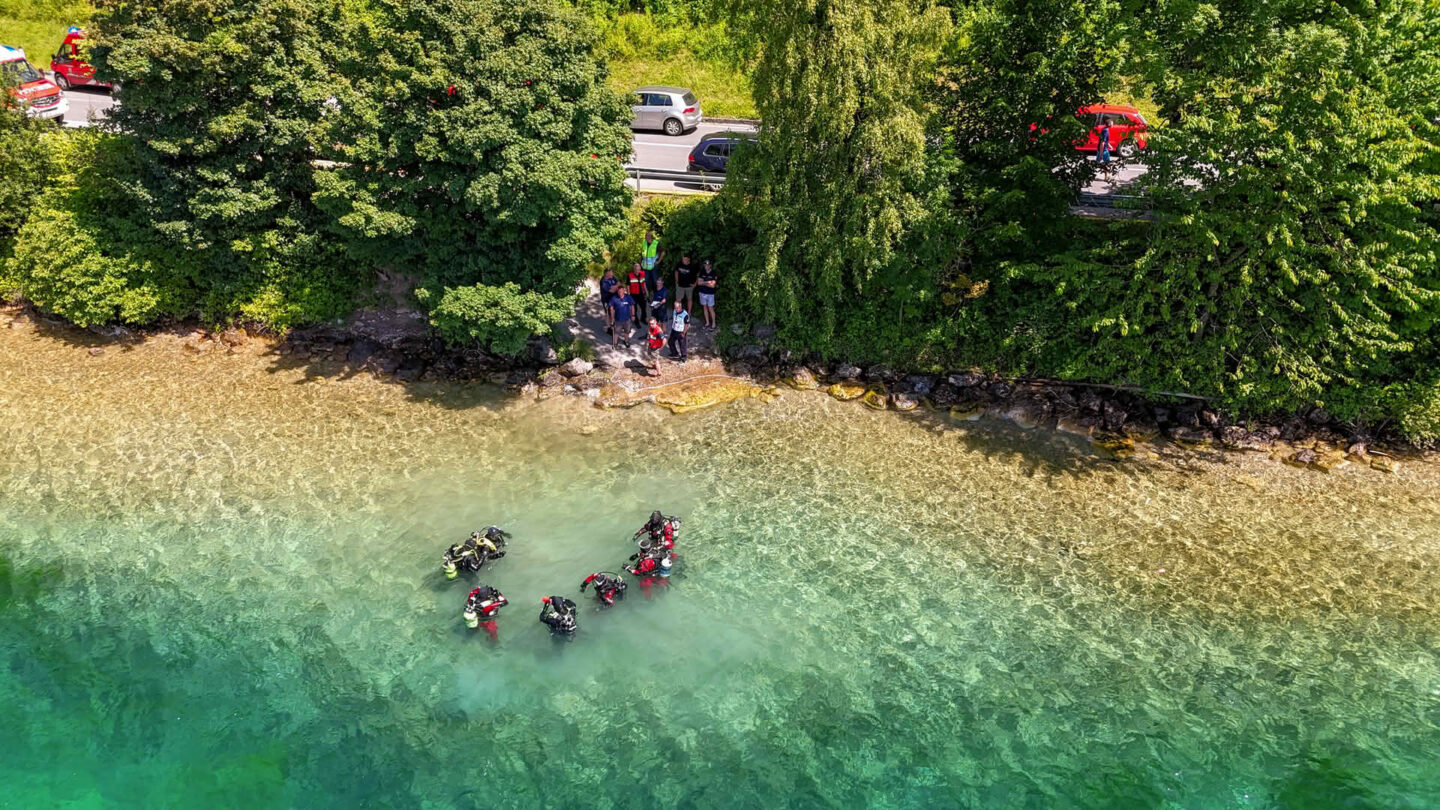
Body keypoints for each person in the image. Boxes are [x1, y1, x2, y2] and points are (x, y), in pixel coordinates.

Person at [627, 262, 649, 326]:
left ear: (640, 269)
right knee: (635, 308)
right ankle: (636, 321)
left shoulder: (642, 273)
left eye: (638, 269)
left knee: (644, 307)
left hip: (641, 293)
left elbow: (643, 283)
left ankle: (643, 318)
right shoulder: (629, 275)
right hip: (633, 294)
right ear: (634, 269)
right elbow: (628, 286)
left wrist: (646, 291)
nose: (637, 271)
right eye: (636, 269)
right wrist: (628, 296)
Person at [697, 260, 717, 329]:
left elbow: (713, 285)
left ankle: (714, 323)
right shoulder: (702, 272)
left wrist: (704, 282)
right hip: (702, 293)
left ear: (710, 265)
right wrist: (708, 282)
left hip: (710, 294)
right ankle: (707, 323)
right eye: (705, 265)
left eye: (708, 265)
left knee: (710, 308)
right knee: (704, 307)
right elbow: (699, 283)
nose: (706, 266)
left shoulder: (713, 273)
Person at [599, 267, 620, 336]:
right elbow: (612, 290)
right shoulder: (603, 281)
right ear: (607, 274)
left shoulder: (612, 277)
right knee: (608, 313)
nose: (612, 274)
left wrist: (614, 286)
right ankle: (609, 328)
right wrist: (615, 287)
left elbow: (619, 284)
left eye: (612, 273)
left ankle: (613, 324)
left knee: (613, 312)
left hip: (613, 298)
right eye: (611, 273)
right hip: (606, 299)